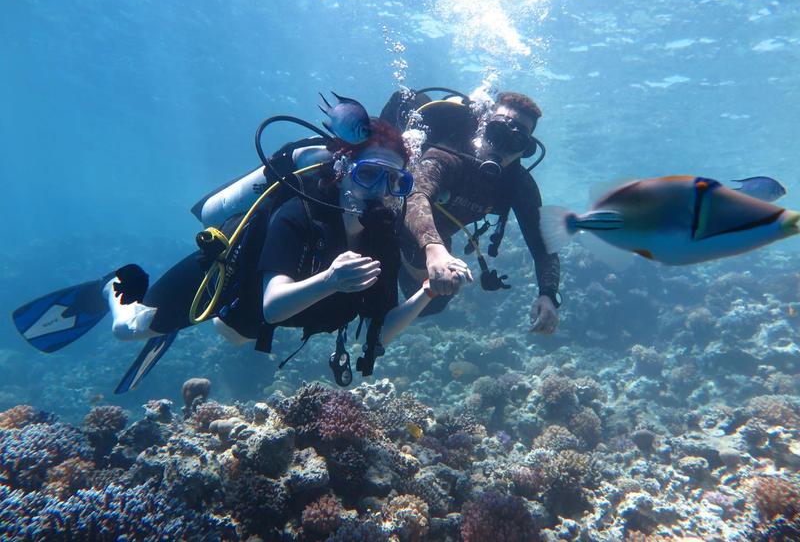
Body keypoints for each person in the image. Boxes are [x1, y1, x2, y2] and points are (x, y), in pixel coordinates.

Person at [13, 100, 438, 390]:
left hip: (260, 316)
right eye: (369, 175)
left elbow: (379, 333)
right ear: (344, 167)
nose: (379, 191)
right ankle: (116, 284)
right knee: (129, 330)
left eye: (394, 181)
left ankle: (202, 321)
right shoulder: (299, 213)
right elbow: (274, 305)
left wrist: (427, 292)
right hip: (231, 279)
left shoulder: (382, 236)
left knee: (233, 335)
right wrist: (331, 280)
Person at [382, 89, 561, 334]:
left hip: (430, 243)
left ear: (525, 150)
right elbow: (414, 195)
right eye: (497, 132)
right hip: (387, 223)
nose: (502, 146)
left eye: (516, 141)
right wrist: (435, 251)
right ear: (483, 126)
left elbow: (543, 242)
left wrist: (548, 295)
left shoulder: (518, 184)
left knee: (434, 303)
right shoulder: (448, 155)